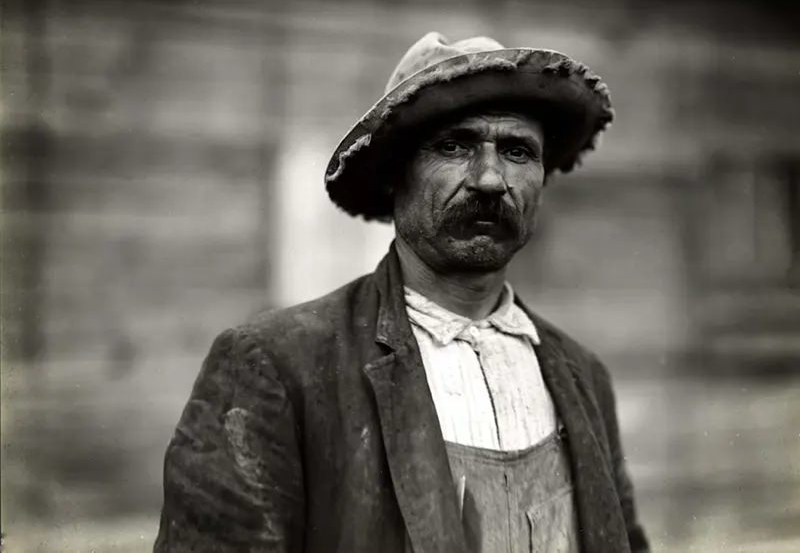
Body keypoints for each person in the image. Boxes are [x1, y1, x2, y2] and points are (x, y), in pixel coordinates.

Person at [154, 32, 649, 553]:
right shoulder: (278, 366)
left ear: (542, 178)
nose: (489, 178)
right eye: (453, 145)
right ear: (394, 175)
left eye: (517, 150)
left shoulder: (582, 375)